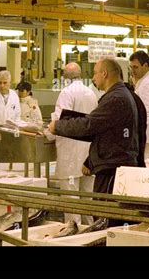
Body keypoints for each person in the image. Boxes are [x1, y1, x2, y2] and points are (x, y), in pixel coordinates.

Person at [48, 58, 140, 196]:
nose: (93, 77)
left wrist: (57, 126)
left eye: (95, 73)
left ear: (104, 74)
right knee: (90, 202)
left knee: (84, 204)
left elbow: (89, 124)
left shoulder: (115, 98)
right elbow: (101, 129)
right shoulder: (112, 94)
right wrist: (90, 161)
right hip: (104, 162)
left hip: (111, 166)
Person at [51, 62, 98, 225]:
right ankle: (90, 231)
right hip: (88, 154)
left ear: (64, 78)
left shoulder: (66, 93)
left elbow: (60, 123)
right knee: (87, 196)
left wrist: (47, 131)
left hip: (70, 154)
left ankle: (74, 232)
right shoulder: (91, 93)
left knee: (71, 198)